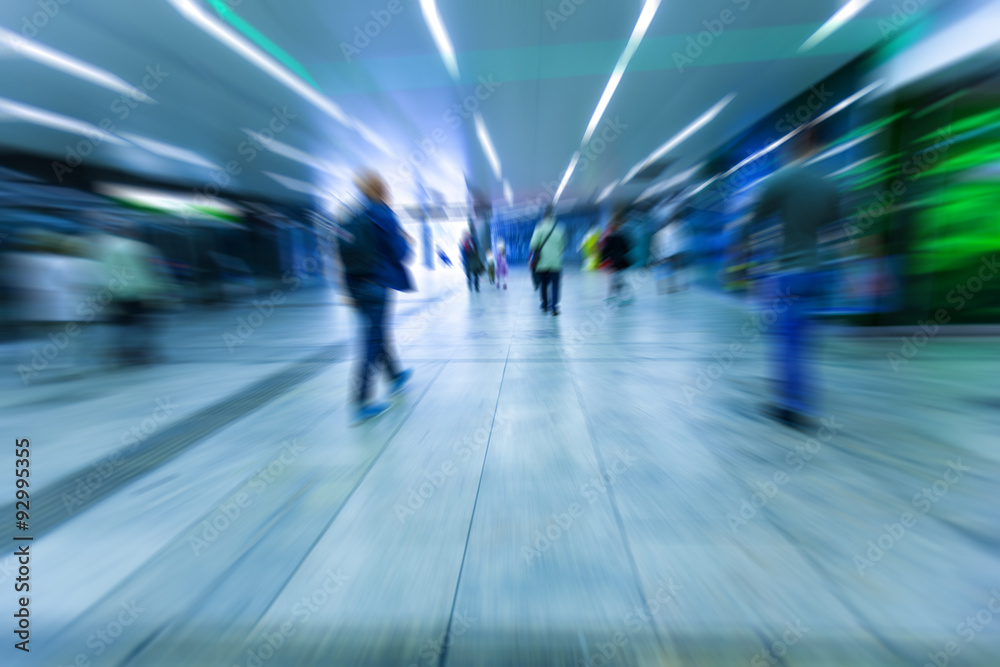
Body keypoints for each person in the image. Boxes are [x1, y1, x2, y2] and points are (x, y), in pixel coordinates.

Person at [753, 127, 839, 429]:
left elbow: (755, 219)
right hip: (817, 273)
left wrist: (740, 256)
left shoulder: (782, 179)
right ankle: (800, 401)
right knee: (804, 342)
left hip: (788, 273)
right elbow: (837, 229)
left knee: (787, 342)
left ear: (793, 146)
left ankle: (791, 407)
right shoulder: (828, 184)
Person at [341, 171, 414, 425]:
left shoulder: (354, 214)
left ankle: (395, 376)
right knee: (372, 341)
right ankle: (361, 402)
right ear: (382, 189)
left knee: (377, 333)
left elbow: (342, 254)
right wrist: (407, 241)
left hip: (356, 285)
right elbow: (400, 253)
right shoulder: (383, 213)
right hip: (377, 285)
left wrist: (346, 290)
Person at [529, 207, 567, 315]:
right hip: (556, 262)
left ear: (544, 216)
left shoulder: (539, 228)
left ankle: (545, 305)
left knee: (544, 284)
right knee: (555, 285)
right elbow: (562, 246)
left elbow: (533, 244)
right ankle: (554, 307)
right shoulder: (560, 229)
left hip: (542, 263)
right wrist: (556, 254)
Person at [601, 215, 633, 304]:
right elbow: (627, 248)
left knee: (617, 280)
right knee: (617, 280)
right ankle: (612, 296)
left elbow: (605, 251)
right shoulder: (622, 237)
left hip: (616, 263)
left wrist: (604, 260)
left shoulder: (610, 238)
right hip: (622, 262)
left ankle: (622, 297)